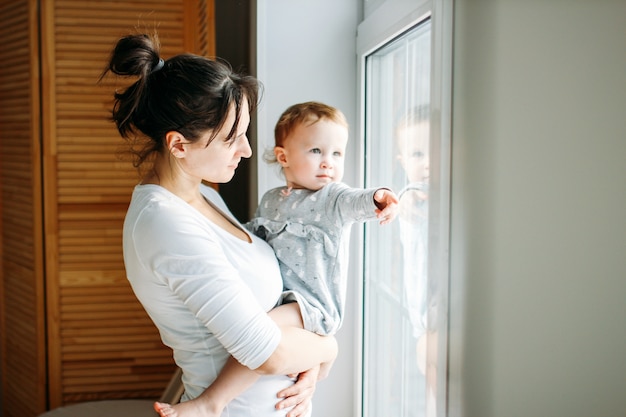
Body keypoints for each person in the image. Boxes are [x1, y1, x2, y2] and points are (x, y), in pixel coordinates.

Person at [101, 32, 338, 417]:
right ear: (179, 145)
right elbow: (268, 352)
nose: (246, 150)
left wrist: (307, 363)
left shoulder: (203, 195)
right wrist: (328, 347)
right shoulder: (165, 223)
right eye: (233, 138)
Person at [154, 101, 399, 417]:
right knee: (261, 336)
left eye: (337, 154)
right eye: (316, 151)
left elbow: (358, 200)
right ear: (283, 157)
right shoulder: (271, 200)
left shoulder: (333, 198)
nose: (328, 163)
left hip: (312, 305)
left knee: (258, 333)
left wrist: (380, 197)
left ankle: (210, 403)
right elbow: (252, 240)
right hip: (285, 301)